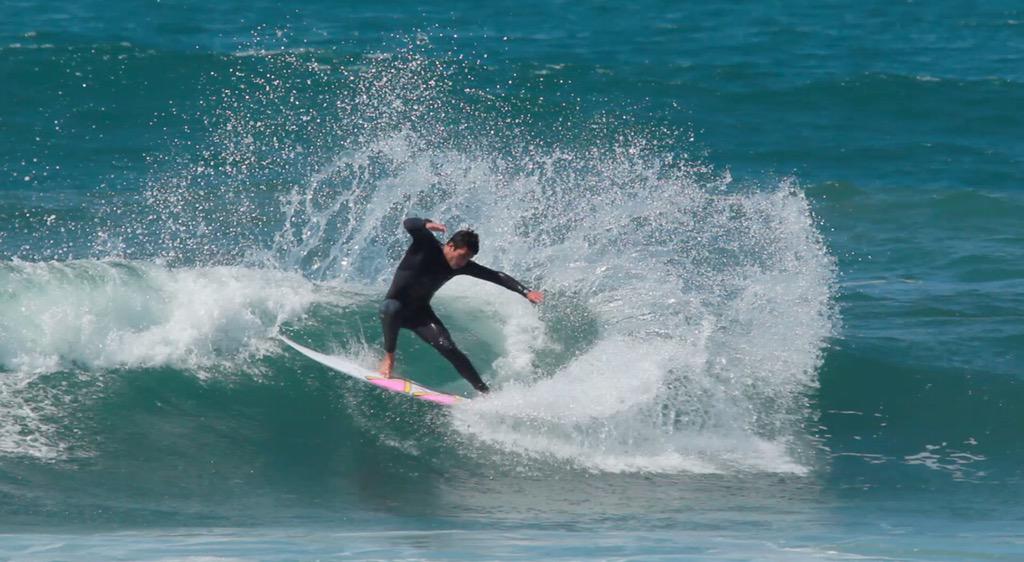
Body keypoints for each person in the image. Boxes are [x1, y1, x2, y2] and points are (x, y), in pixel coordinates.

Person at [378, 217, 544, 393]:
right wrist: (426, 224)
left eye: (468, 258)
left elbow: (496, 276)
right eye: (463, 256)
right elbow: (409, 223)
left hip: (420, 313)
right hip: (394, 306)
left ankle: (484, 391)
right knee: (391, 308)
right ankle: (389, 358)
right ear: (450, 246)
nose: (464, 262)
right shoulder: (427, 246)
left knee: (448, 347)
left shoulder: (461, 266)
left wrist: (526, 292)